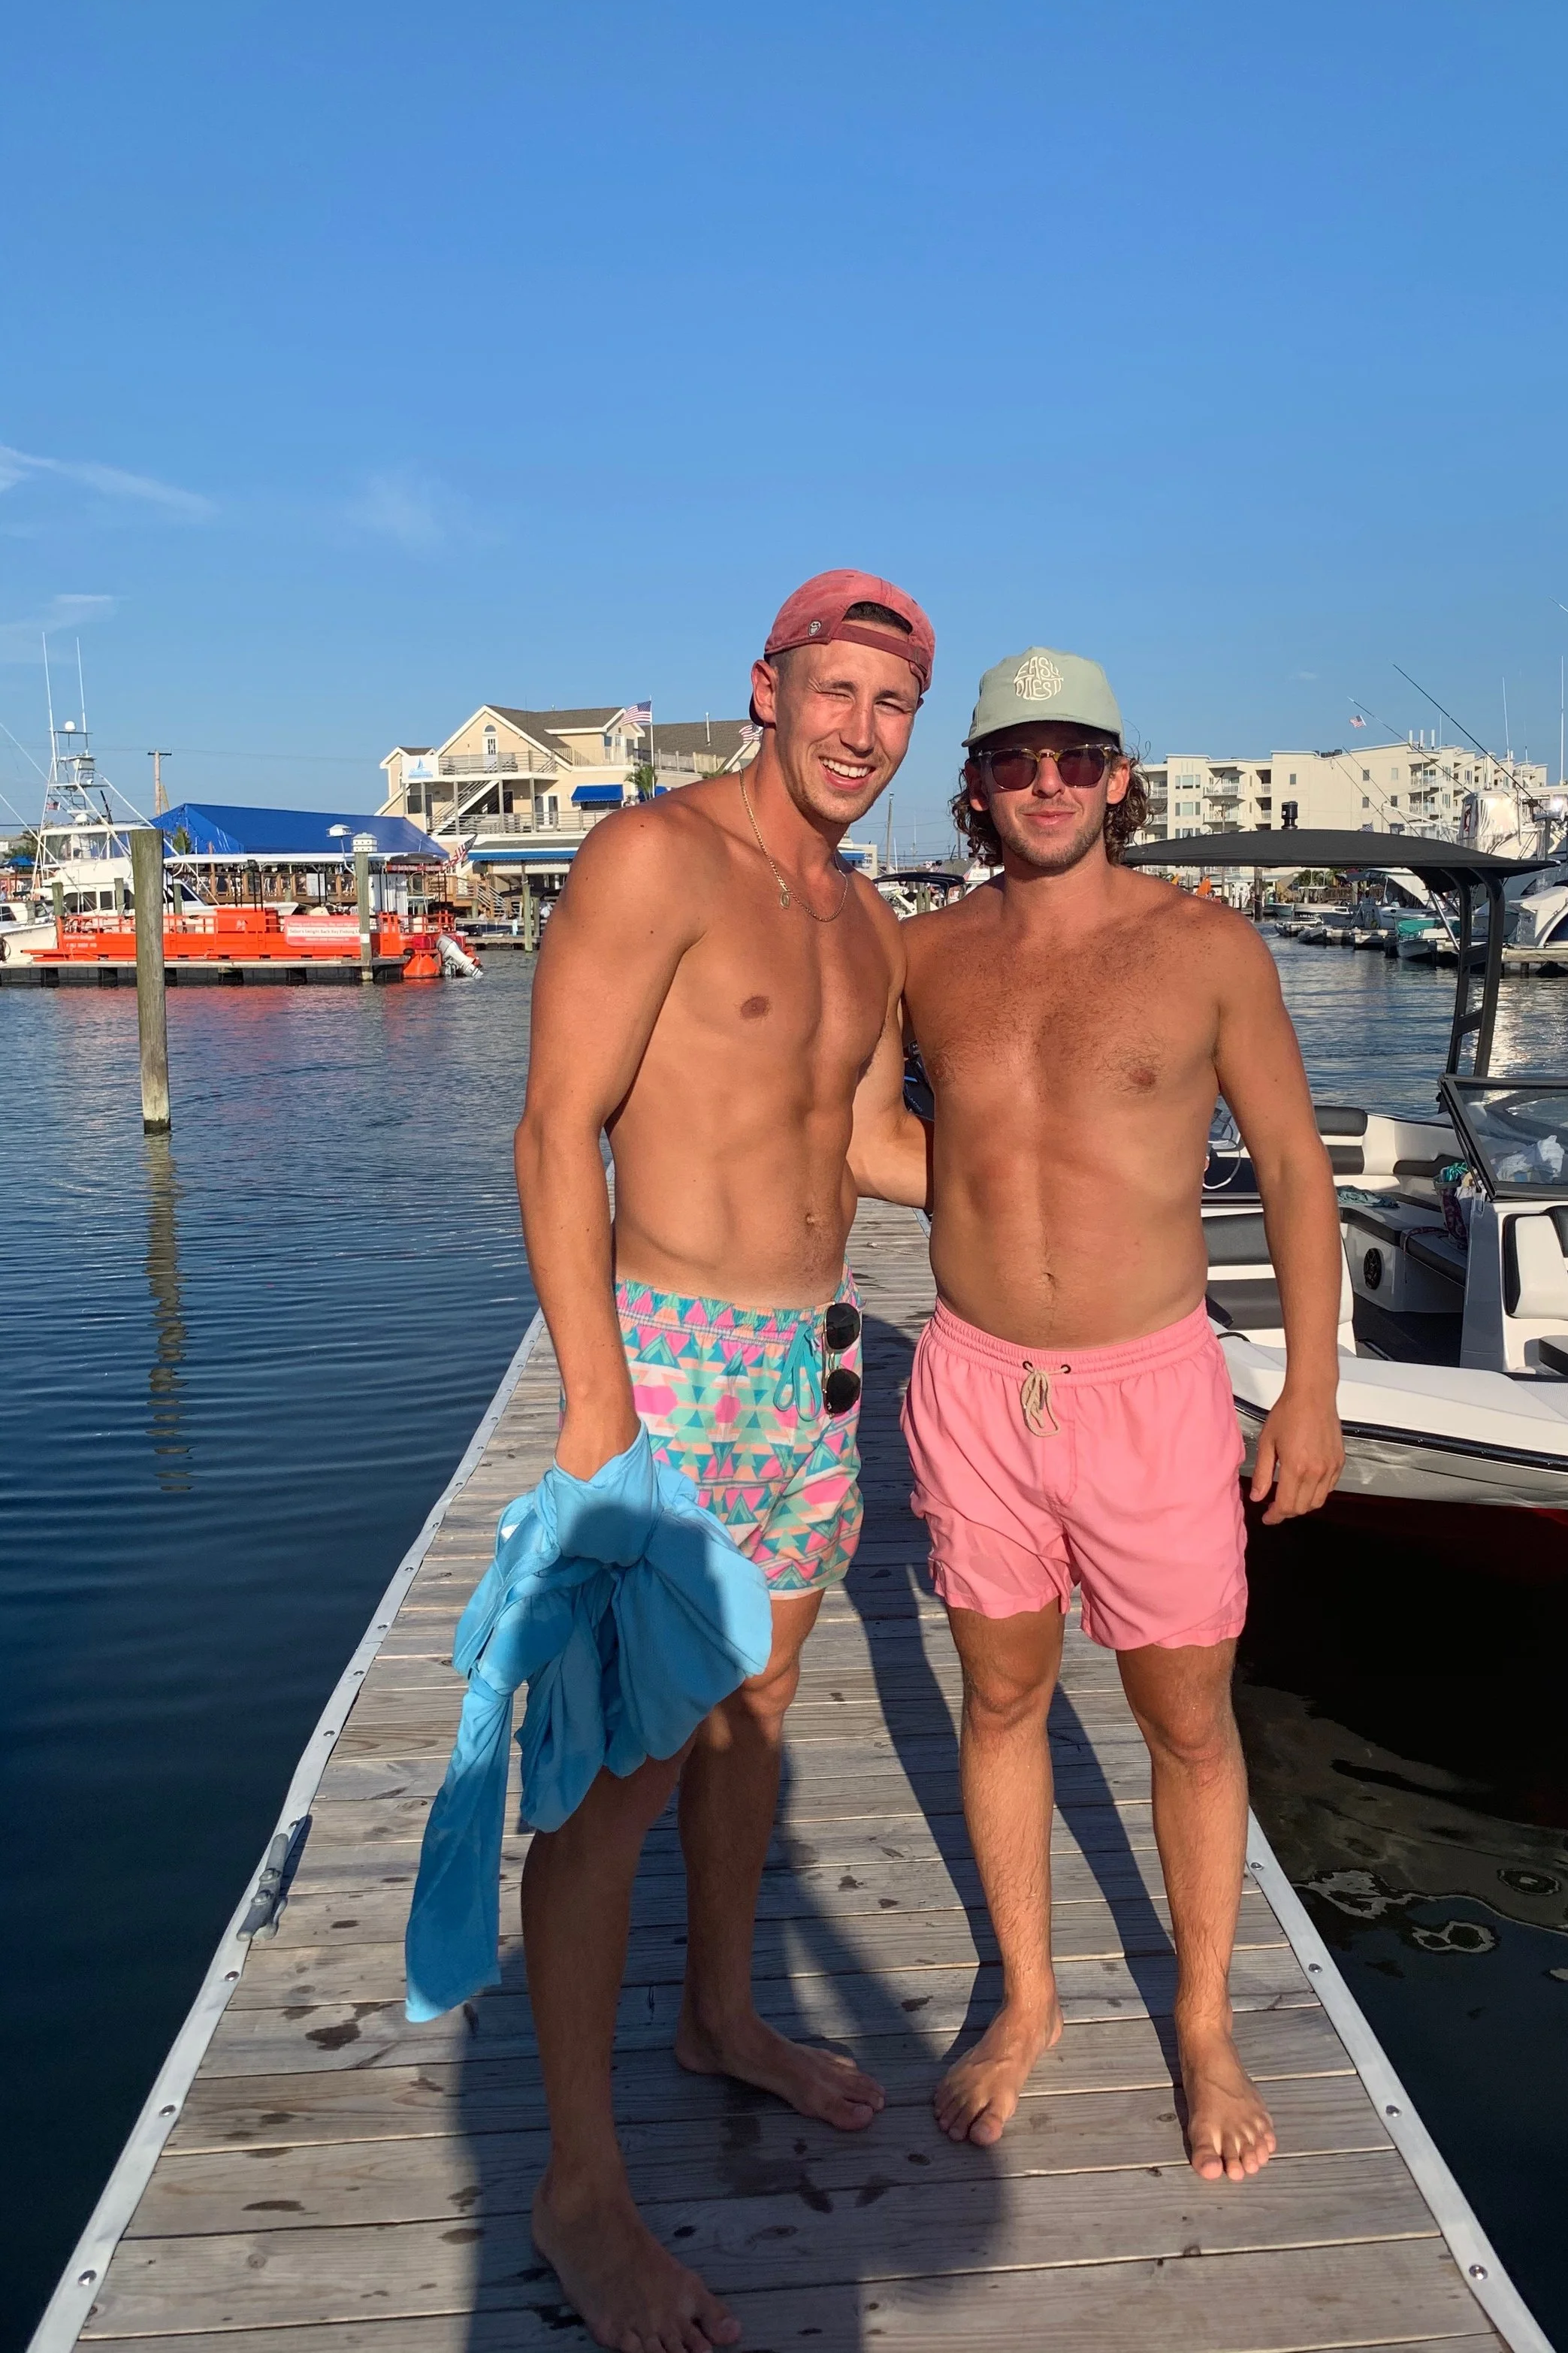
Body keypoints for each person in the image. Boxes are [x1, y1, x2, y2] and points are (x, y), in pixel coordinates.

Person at [847, 646, 1345, 2186]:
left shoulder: (1207, 949)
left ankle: (1200, 2020)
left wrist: (1313, 1389)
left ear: (1118, 776)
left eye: (1075, 756)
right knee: (999, 1698)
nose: (1046, 781)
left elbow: (1288, 1169)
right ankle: (1033, 1994)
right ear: (977, 788)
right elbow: (867, 1133)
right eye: (1014, 760)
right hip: (978, 1383)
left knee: (1183, 1720)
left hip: (1149, 1388)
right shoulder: (922, 956)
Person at [513, 570, 932, 2352]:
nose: (858, 731)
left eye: (891, 707)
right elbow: (553, 1130)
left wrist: (1082, 1171)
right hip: (666, 1364)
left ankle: (719, 2020)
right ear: (763, 687)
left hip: (810, 1365)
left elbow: (866, 1139)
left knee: (754, 1714)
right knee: (611, 1772)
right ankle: (578, 2187)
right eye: (832, 691)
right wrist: (595, 1398)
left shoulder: (865, 920)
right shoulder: (652, 861)